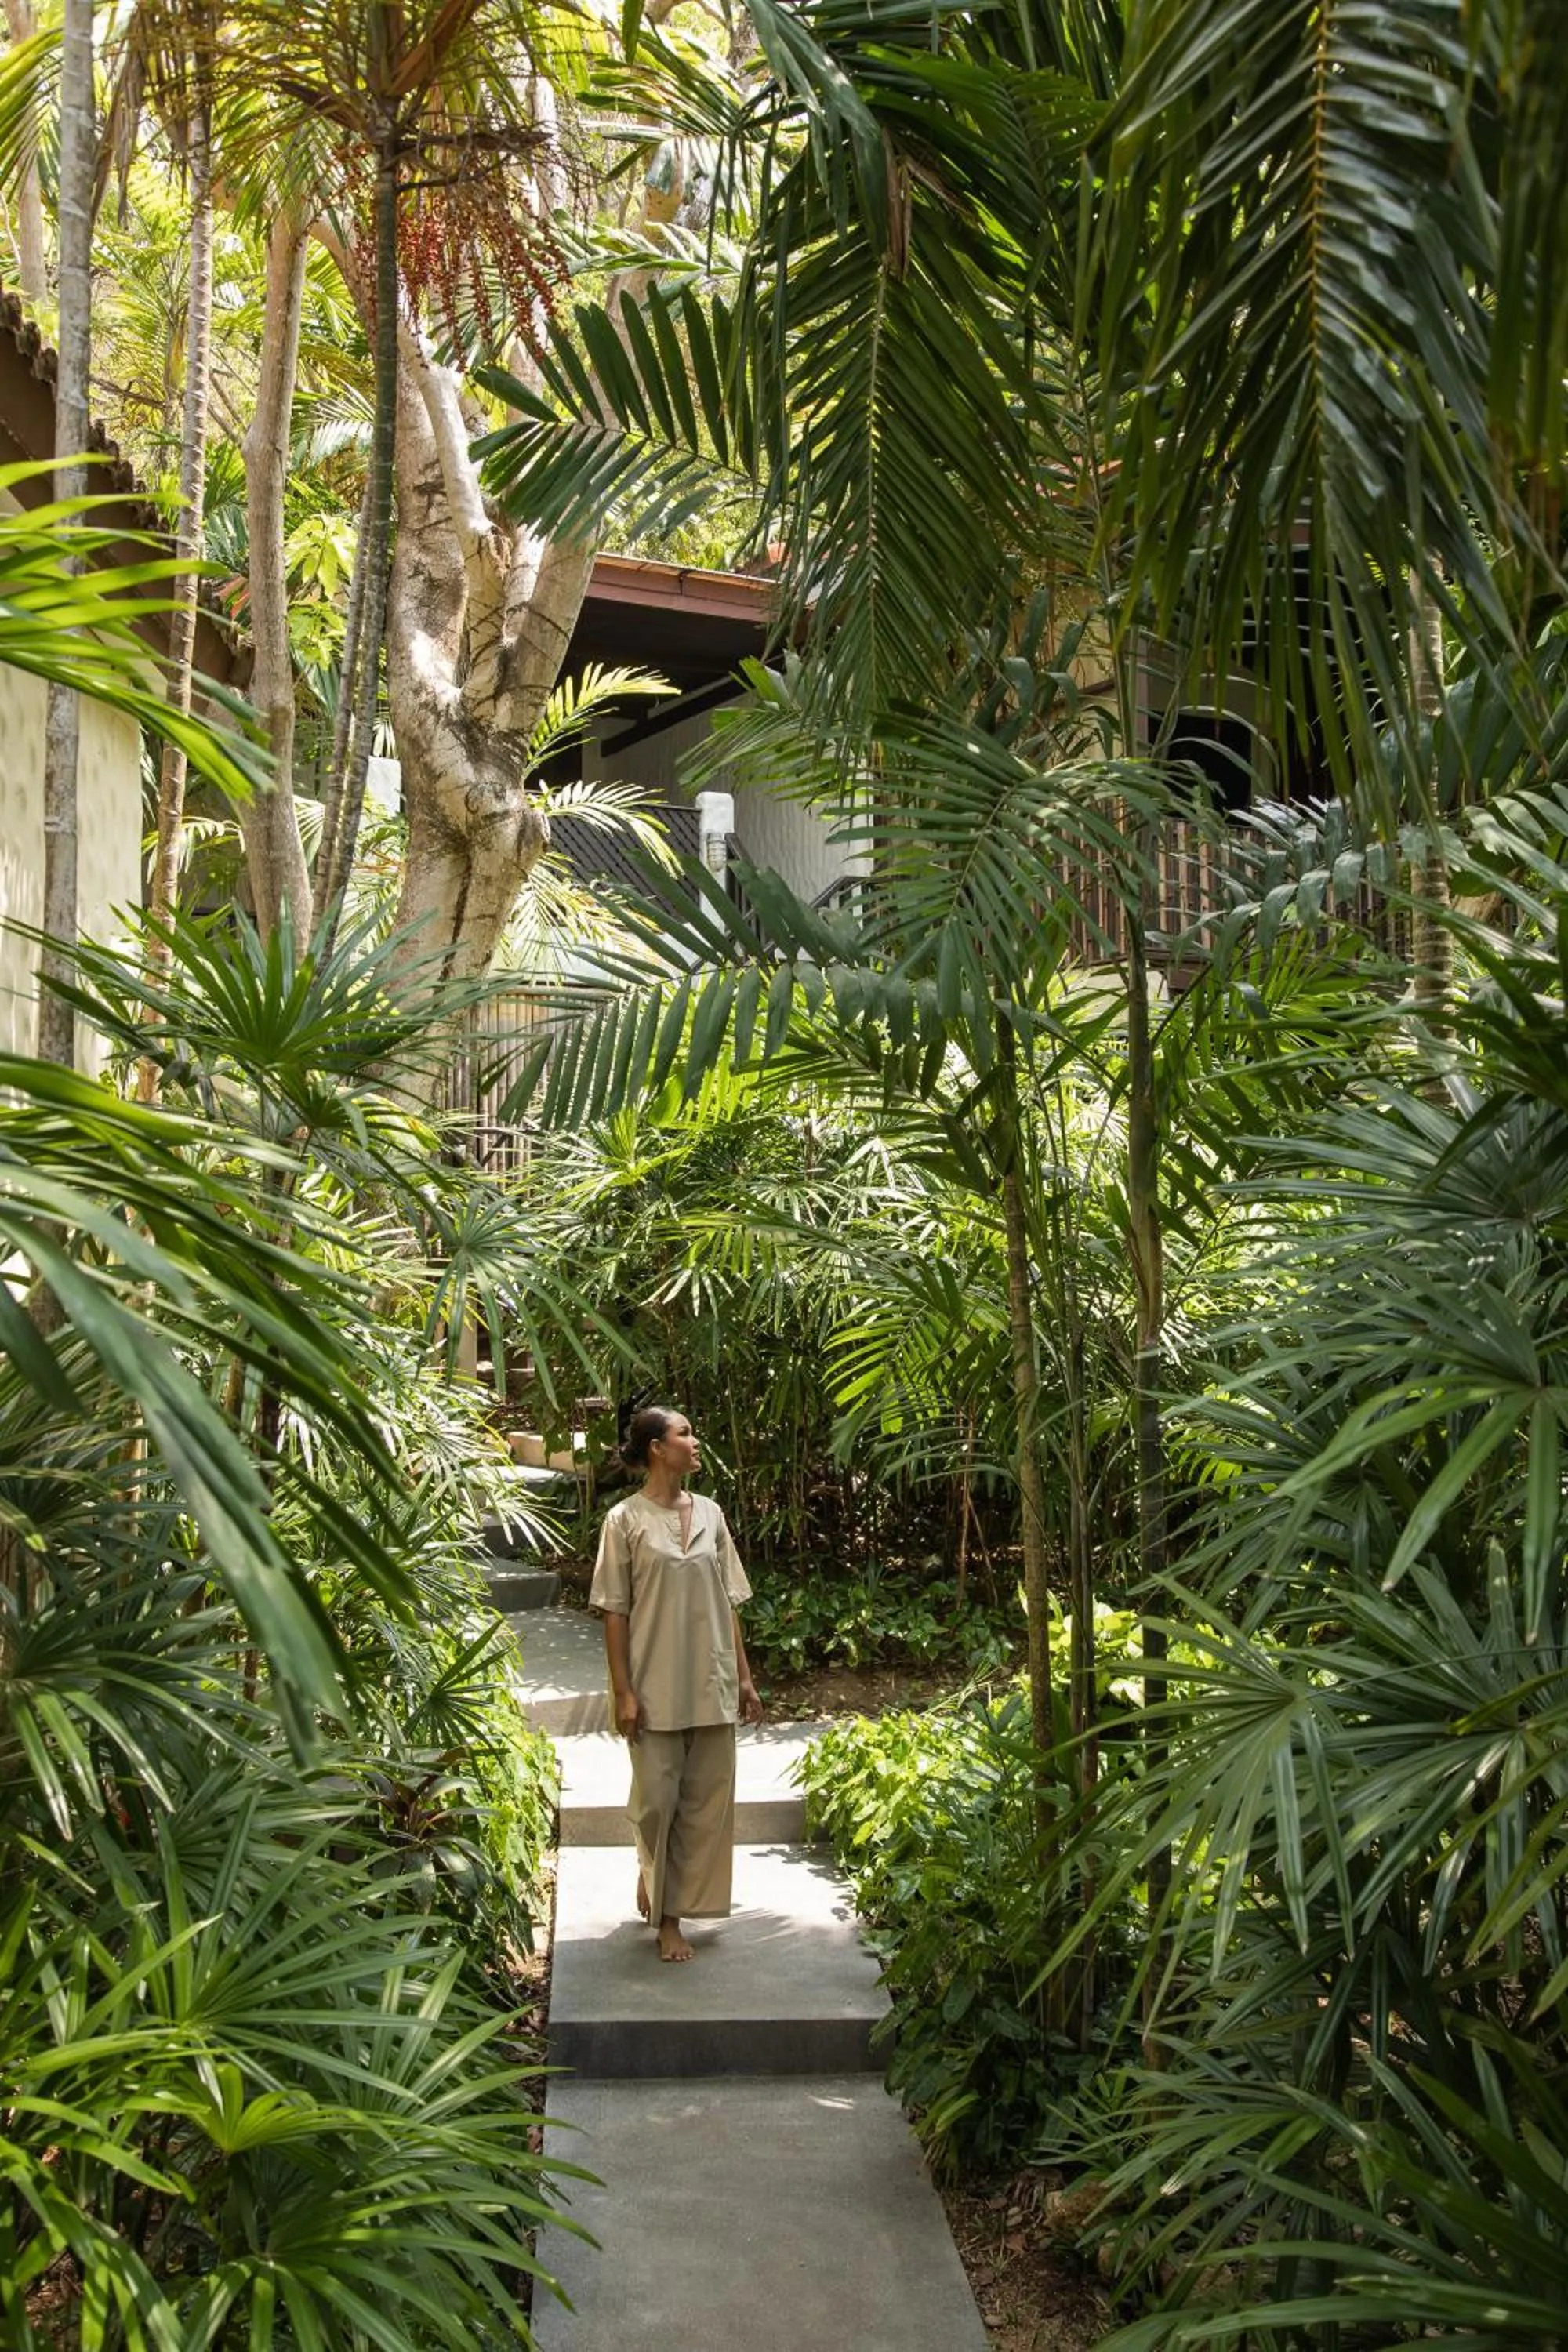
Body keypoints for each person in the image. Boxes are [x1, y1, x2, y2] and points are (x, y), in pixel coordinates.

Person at [589, 1405, 764, 1962]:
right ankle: (653, 1874)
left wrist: (745, 1678)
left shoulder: (712, 1514)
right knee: (656, 1804)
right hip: (654, 1682)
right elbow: (614, 1612)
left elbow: (728, 1601)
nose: (695, 1440)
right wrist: (624, 1692)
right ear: (657, 1449)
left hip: (711, 1679)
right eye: (685, 1433)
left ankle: (670, 1915)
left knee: (703, 1804)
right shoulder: (624, 1521)